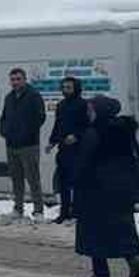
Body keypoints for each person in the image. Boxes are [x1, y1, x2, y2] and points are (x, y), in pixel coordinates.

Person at [74, 95, 139, 277]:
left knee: (93, 230)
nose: (88, 113)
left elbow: (85, 160)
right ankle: (132, 257)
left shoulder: (94, 132)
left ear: (100, 111)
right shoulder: (124, 130)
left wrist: (77, 179)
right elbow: (135, 155)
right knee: (122, 225)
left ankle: (101, 272)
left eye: (91, 110)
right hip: (122, 187)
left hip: (96, 187)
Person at [0, 67, 47, 221]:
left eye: (18, 79)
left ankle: (38, 210)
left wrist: (26, 133)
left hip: (29, 145)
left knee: (33, 179)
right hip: (11, 145)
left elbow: (40, 117)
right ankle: (18, 208)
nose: (15, 82)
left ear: (25, 80)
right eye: (13, 79)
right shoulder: (9, 97)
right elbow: (4, 117)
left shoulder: (33, 96)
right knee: (16, 179)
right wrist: (4, 131)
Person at [47, 75, 88, 224]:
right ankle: (64, 213)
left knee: (78, 182)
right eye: (64, 88)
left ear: (76, 88)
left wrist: (77, 136)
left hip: (79, 149)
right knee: (63, 182)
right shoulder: (61, 105)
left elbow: (87, 126)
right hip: (63, 148)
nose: (66, 90)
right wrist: (52, 142)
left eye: (69, 88)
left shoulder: (83, 105)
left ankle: (77, 212)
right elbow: (57, 125)